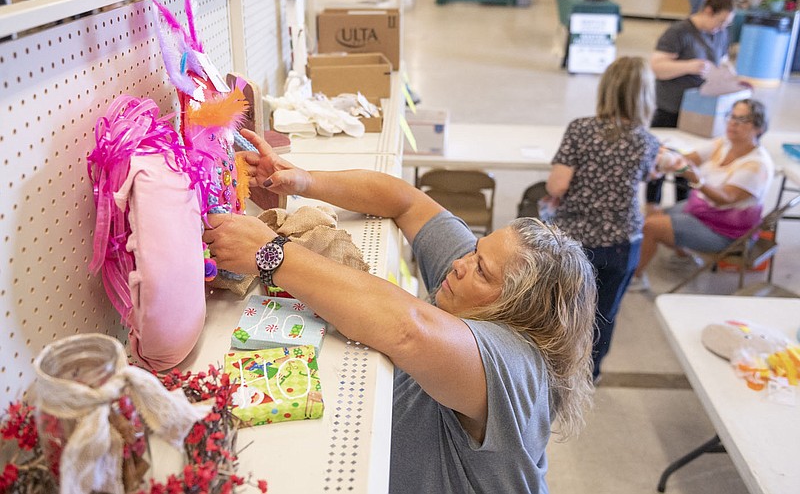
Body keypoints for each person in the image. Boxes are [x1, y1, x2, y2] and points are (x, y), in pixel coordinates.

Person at [203, 129, 598, 493]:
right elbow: (406, 200)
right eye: (476, 250)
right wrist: (305, 180)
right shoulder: (471, 284)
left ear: (516, 307)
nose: (462, 263)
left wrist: (271, 253)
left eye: (481, 269)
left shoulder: (516, 366)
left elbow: (408, 329)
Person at [545, 56, 660, 381]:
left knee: (564, 309)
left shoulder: (580, 130)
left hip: (574, 241)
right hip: (622, 242)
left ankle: (554, 370)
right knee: (604, 313)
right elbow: (650, 176)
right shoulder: (647, 141)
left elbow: (558, 184)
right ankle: (588, 374)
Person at [629, 99, 774, 291]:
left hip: (726, 231)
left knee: (651, 226)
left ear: (759, 127)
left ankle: (635, 278)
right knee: (653, 216)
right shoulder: (724, 143)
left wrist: (696, 179)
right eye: (731, 116)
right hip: (702, 209)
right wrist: (668, 157)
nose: (733, 123)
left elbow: (725, 198)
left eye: (743, 119)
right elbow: (690, 158)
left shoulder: (757, 166)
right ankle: (684, 256)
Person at [647, 0, 734, 213]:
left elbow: (722, 60)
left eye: (726, 24)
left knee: (688, 162)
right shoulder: (678, 33)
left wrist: (728, 75)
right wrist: (689, 66)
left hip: (701, 111)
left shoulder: (720, 34)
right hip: (671, 106)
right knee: (661, 157)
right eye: (720, 21)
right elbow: (657, 66)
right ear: (707, 11)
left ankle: (682, 207)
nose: (722, 28)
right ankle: (652, 206)